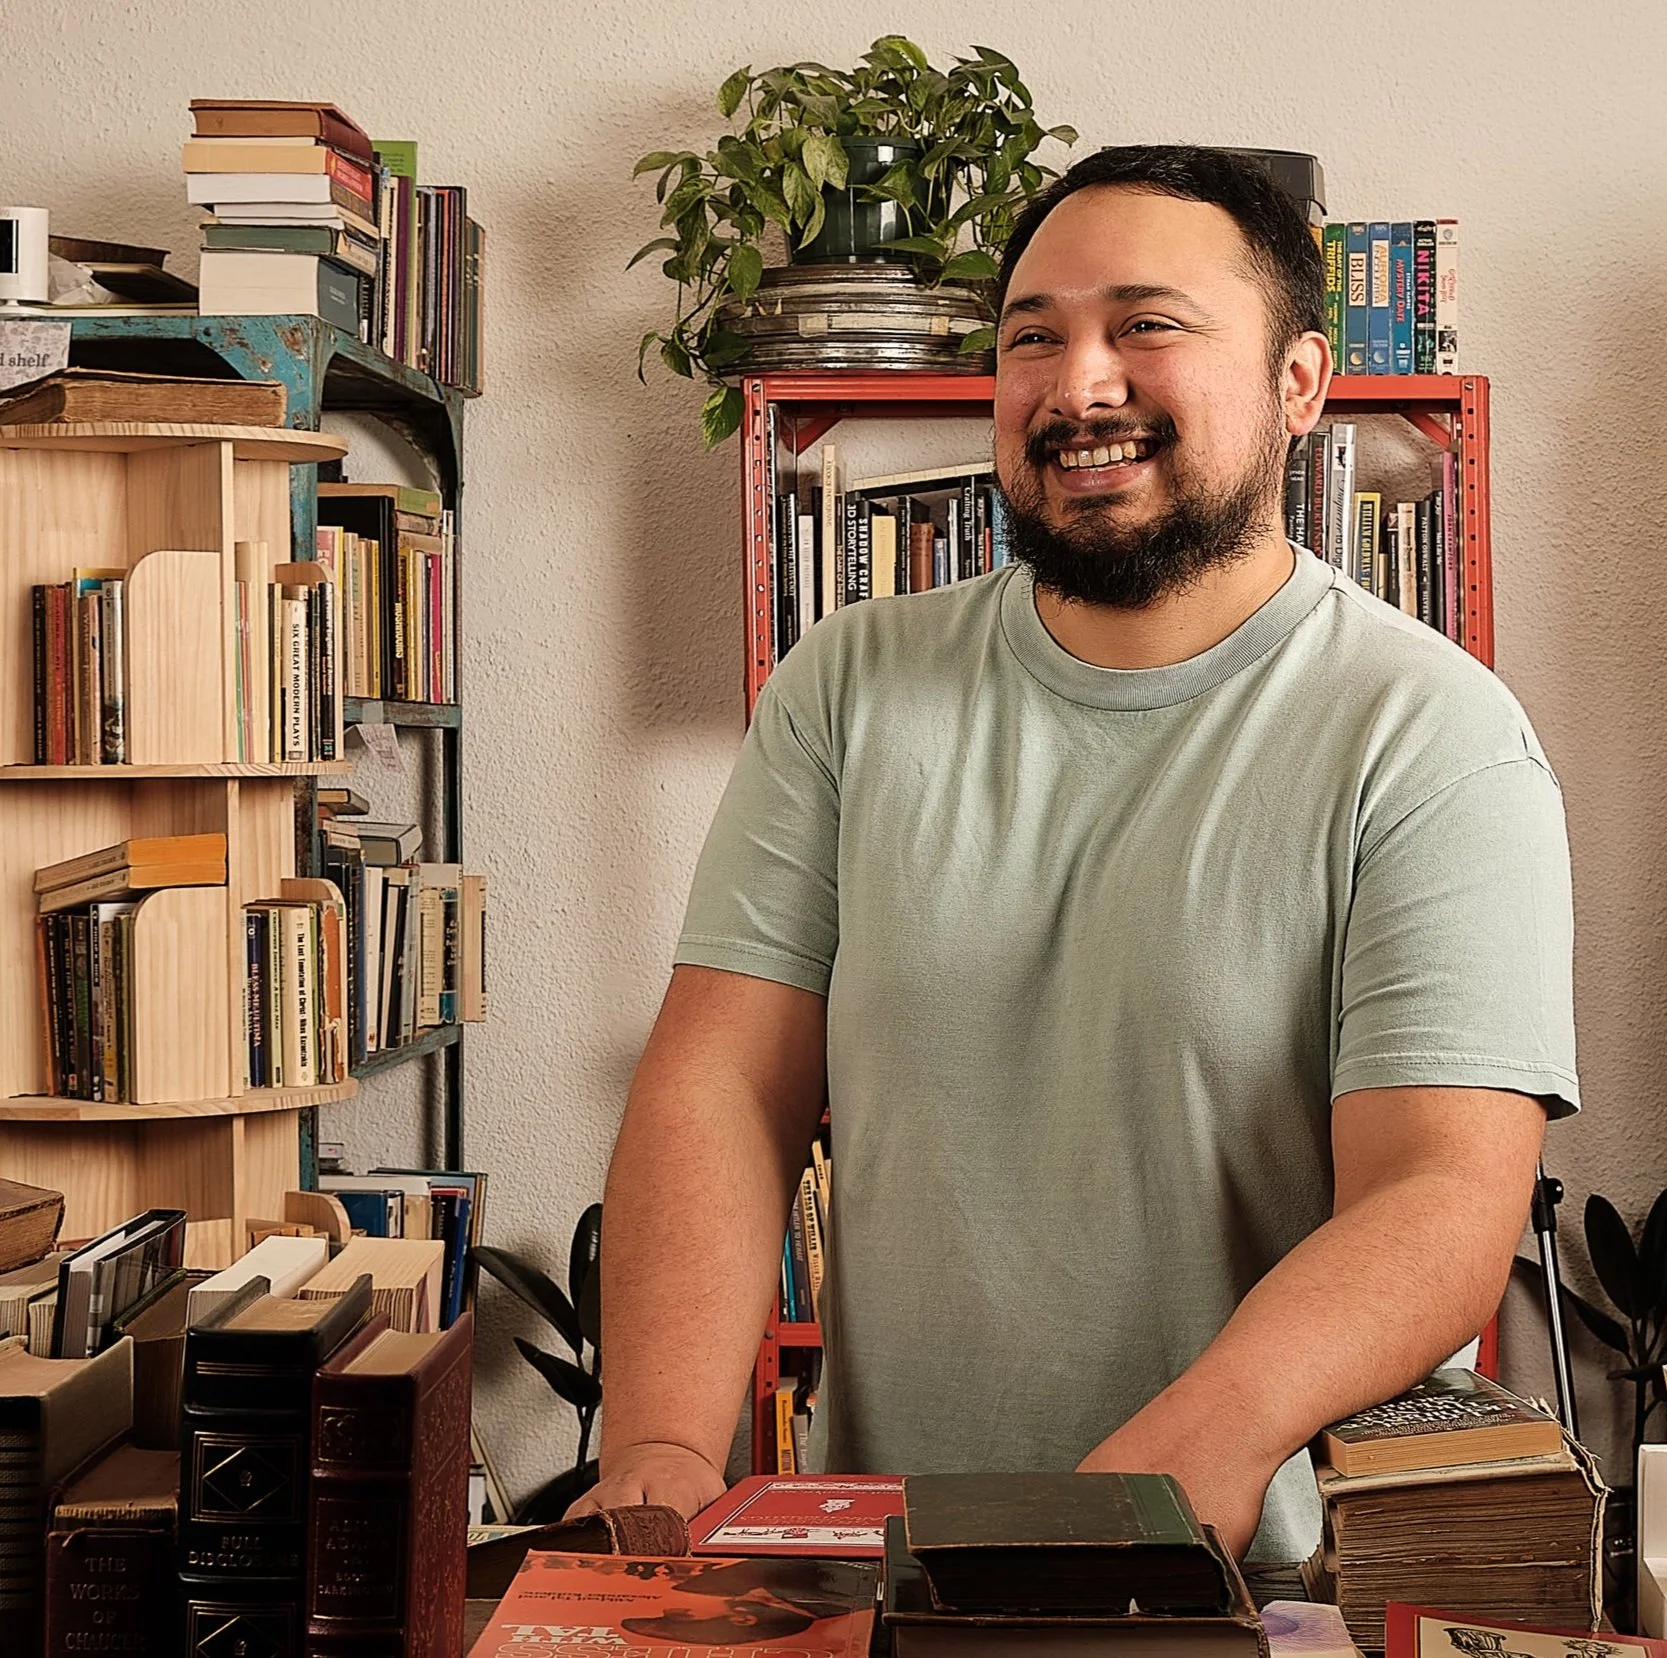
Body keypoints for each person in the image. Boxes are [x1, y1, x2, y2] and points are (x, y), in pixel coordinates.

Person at [575, 145, 1578, 1564]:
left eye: (1145, 326)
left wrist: (1187, 1454)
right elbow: (725, 1084)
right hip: (896, 1561)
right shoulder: (846, 683)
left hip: (1248, 1579)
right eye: (1032, 336)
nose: (1077, 381)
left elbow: (1439, 1196)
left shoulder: (1432, 736)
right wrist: (664, 1453)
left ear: (1300, 381)